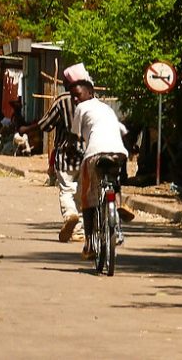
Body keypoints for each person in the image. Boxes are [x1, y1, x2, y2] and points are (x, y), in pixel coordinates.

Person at [20, 63, 86, 243]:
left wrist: (27, 128)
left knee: (66, 190)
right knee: (80, 193)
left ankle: (71, 216)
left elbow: (45, 125)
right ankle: (80, 231)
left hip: (66, 154)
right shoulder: (92, 100)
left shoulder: (63, 100)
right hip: (88, 154)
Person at [70, 79, 130, 260]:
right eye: (72, 95)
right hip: (118, 152)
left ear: (90, 93)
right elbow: (123, 131)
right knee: (113, 182)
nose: (75, 99)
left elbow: (75, 136)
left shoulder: (82, 107)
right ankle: (117, 212)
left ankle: (88, 244)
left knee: (87, 199)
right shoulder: (108, 110)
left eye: (77, 94)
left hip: (94, 153)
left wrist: (74, 150)